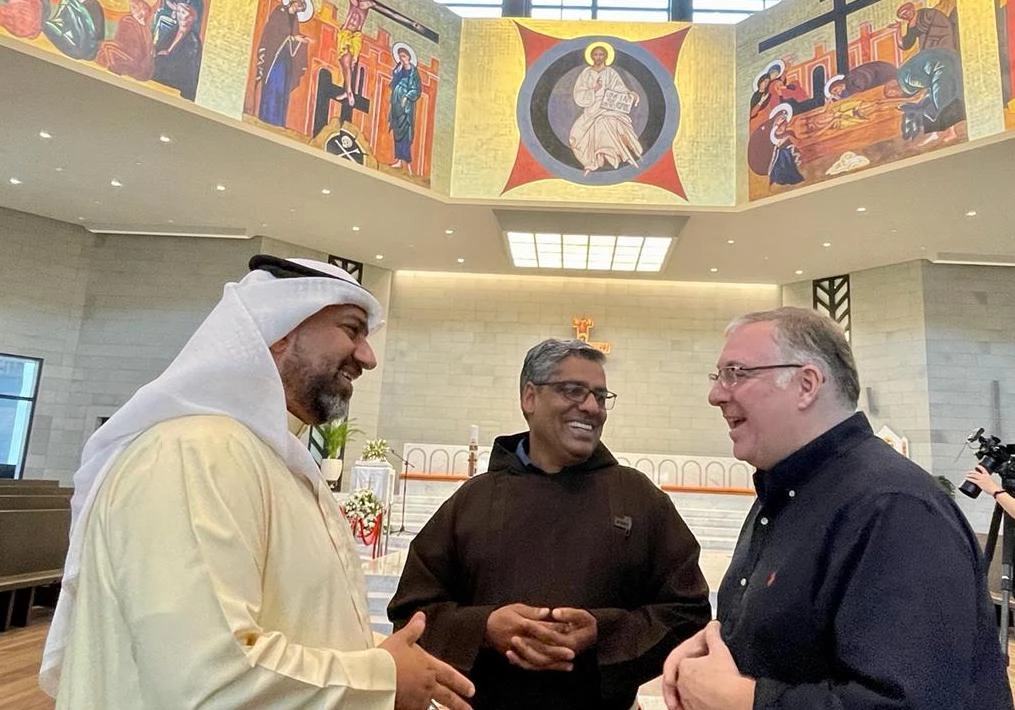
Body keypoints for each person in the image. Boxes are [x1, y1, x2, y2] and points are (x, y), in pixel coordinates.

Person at [40, 255, 475, 710]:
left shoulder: (273, 461)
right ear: (280, 331)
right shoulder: (194, 453)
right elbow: (207, 678)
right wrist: (382, 679)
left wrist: (385, 664)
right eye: (351, 330)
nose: (368, 357)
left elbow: (303, 626)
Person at [662, 306, 1011, 710]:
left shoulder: (893, 508)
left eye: (736, 373)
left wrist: (745, 701)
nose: (716, 394)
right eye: (718, 376)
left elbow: (913, 700)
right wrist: (712, 648)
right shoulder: (789, 491)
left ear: (807, 384)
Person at [388, 338, 711, 710]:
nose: (591, 407)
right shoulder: (472, 501)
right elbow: (412, 612)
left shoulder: (639, 498)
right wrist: (485, 628)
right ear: (530, 398)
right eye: (573, 391)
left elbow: (688, 611)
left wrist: (600, 634)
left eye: (600, 396)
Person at [569, 42, 644, 176]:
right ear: (592, 56)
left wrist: (630, 94)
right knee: (575, 136)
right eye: (596, 54)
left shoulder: (611, 73)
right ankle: (590, 161)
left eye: (601, 54)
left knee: (604, 123)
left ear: (605, 56)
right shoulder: (586, 73)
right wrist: (594, 90)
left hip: (608, 109)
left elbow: (620, 89)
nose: (598, 57)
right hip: (591, 110)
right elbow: (578, 93)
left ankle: (599, 161)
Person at [255, 0, 313, 126]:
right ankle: (267, 116)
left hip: (286, 59)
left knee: (283, 89)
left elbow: (294, 35)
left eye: (302, 5)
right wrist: (293, 38)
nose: (300, 5)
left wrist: (301, 39)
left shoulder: (295, 19)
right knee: (273, 85)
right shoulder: (279, 11)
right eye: (299, 3)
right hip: (275, 58)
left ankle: (278, 120)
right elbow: (273, 31)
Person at [388, 43, 422, 175]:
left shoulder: (413, 72)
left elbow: (417, 89)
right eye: (400, 56)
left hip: (406, 107)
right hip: (396, 103)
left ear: (408, 56)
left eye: (404, 56)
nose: (402, 58)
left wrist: (407, 97)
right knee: (396, 130)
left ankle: (406, 162)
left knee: (405, 132)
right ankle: (398, 159)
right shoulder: (399, 69)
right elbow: (393, 83)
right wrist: (398, 71)